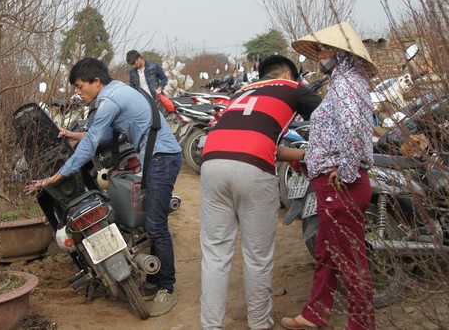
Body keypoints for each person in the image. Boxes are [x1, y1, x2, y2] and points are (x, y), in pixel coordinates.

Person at [25, 57, 183, 317]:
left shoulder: (108, 100)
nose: (78, 92)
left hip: (161, 158)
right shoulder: (119, 90)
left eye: (79, 86)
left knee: (156, 225)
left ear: (96, 82)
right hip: (158, 157)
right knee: (154, 223)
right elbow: (106, 135)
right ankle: (154, 282)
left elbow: (91, 144)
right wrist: (73, 135)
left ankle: (167, 287)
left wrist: (56, 176)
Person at [199, 55, 321, 330]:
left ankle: (210, 326)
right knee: (257, 256)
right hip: (254, 169)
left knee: (216, 254)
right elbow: (328, 118)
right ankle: (259, 324)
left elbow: (258, 141)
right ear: (289, 74)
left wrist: (302, 154)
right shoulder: (293, 87)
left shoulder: (240, 92)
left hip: (212, 161)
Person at [281, 22, 377, 330]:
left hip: (343, 185)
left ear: (341, 52)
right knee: (326, 253)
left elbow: (352, 132)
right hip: (333, 182)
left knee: (351, 263)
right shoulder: (342, 82)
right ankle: (315, 314)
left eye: (323, 49)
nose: (319, 56)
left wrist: (344, 171)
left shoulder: (348, 84)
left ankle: (361, 325)